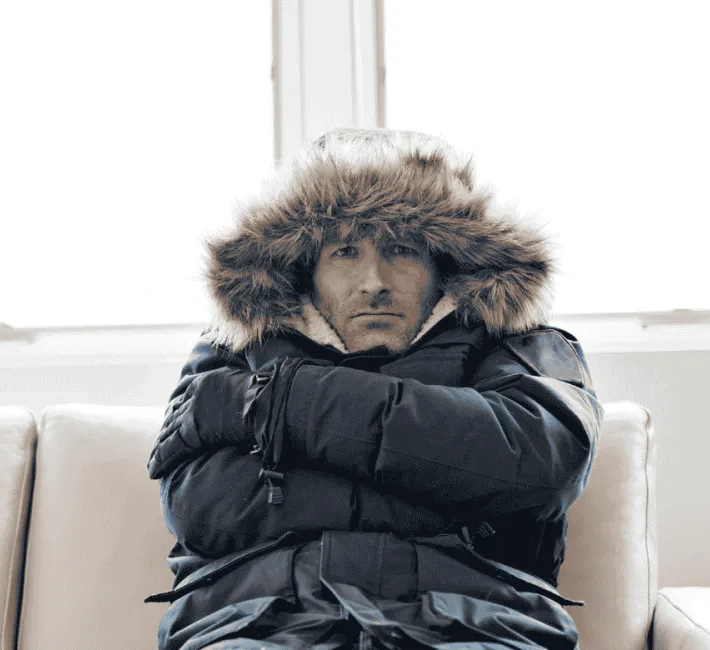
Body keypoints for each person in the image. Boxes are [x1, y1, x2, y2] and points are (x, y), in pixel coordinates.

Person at [147, 128, 604, 650]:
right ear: (306, 269)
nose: (375, 281)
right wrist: (457, 486)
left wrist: (278, 400)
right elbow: (206, 506)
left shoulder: (513, 342)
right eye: (344, 251)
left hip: (474, 625)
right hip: (261, 624)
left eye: (403, 250)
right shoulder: (238, 345)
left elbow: (538, 461)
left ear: (444, 265)